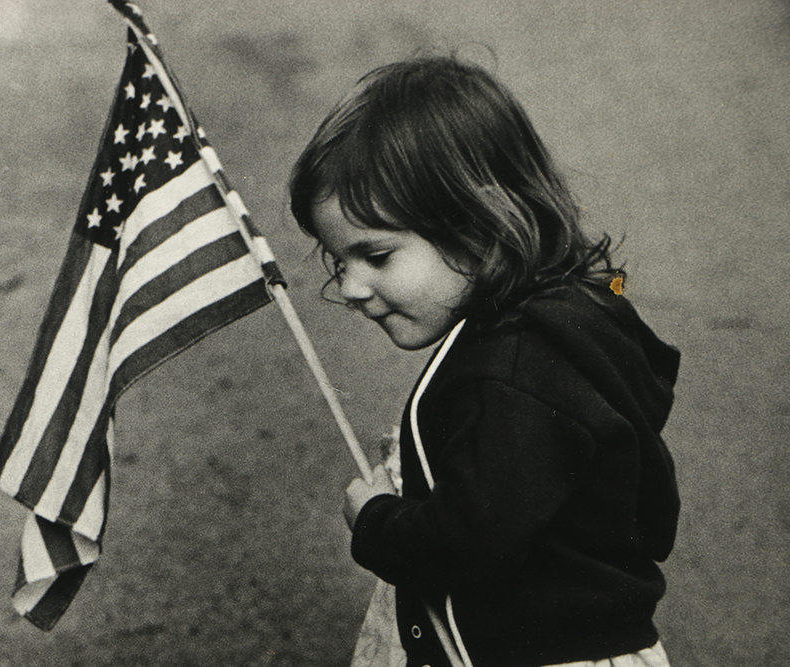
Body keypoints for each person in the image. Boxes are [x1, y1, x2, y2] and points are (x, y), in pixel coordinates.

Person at [288, 55, 681, 667]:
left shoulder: (518, 372)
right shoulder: (562, 328)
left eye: (378, 256)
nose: (351, 288)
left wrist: (377, 522)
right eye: (341, 262)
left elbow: (468, 540)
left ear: (476, 221)